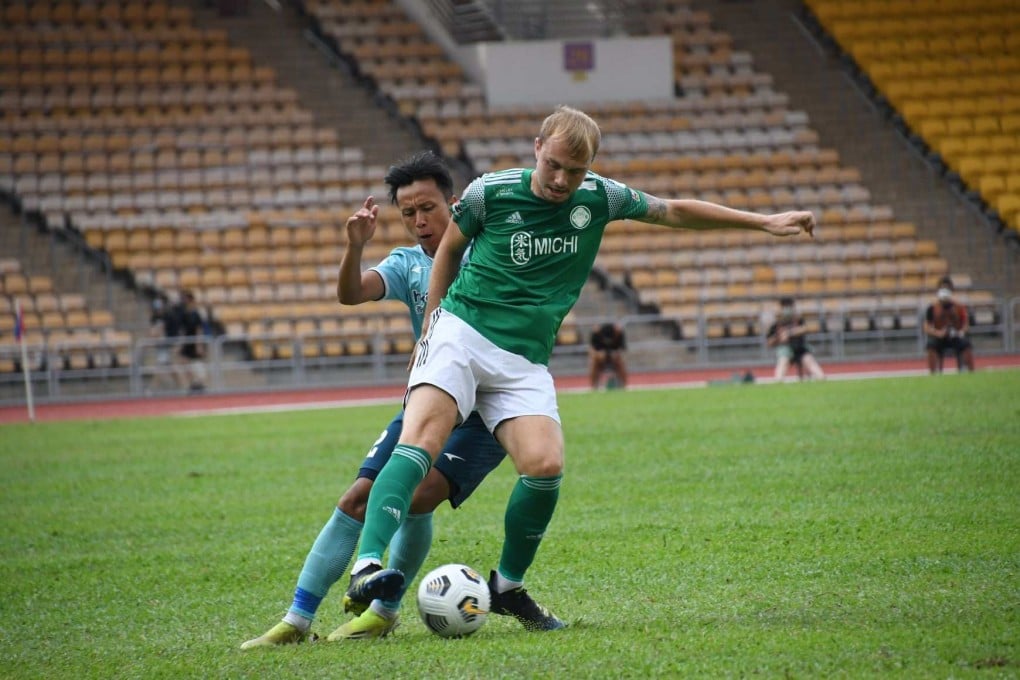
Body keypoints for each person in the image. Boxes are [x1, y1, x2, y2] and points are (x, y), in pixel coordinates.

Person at [343, 106, 815, 633]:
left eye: (577, 170)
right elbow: (450, 248)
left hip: (523, 358)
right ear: (537, 148)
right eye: (555, 166)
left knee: (544, 466)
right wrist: (432, 326)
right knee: (423, 437)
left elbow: (674, 211)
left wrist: (764, 222)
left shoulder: (600, 197)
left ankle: (507, 587)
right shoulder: (489, 192)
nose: (564, 180)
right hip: (463, 331)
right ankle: (366, 566)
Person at [241, 151, 511, 648]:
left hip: (486, 411)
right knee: (356, 499)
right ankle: (295, 621)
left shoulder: (487, 252)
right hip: (427, 404)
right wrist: (354, 247)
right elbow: (350, 292)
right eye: (408, 213)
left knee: (412, 498)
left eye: (427, 208)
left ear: (453, 203)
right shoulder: (407, 263)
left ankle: (382, 607)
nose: (419, 221)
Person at [765, 297, 825, 381]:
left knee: (811, 363)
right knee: (783, 362)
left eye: (789, 306)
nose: (787, 309)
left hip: (800, 348)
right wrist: (778, 337)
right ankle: (778, 381)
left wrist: (789, 333)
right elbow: (769, 342)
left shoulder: (798, 320)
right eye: (785, 306)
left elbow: (804, 328)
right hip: (785, 349)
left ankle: (821, 379)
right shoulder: (776, 324)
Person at [923, 276, 974, 373]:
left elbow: (966, 325)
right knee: (931, 345)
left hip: (956, 336)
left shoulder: (959, 307)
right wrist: (937, 333)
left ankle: (971, 372)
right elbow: (926, 327)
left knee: (966, 344)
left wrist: (960, 332)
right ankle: (932, 373)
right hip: (939, 337)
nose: (944, 291)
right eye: (942, 289)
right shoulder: (932, 308)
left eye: (947, 289)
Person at [172, 290, 207, 393]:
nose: (184, 301)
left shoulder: (196, 313)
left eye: (186, 299)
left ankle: (200, 383)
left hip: (194, 342)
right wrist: (180, 343)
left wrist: (199, 344)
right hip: (187, 342)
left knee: (197, 364)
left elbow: (199, 329)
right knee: (183, 362)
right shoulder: (183, 313)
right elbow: (182, 330)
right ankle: (193, 383)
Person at [588, 322, 627, 389]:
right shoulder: (597, 333)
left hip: (615, 358)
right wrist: (597, 355)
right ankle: (593, 386)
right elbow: (591, 350)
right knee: (593, 364)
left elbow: (623, 349)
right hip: (600, 359)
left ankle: (624, 386)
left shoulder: (619, 333)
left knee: (621, 363)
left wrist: (617, 354)